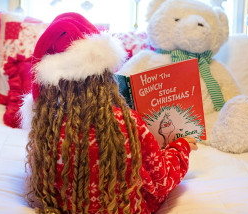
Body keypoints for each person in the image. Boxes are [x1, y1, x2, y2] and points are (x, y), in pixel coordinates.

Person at [22, 12, 198, 214]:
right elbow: (161, 181)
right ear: (104, 76)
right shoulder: (126, 123)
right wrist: (180, 148)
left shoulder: (47, 124)